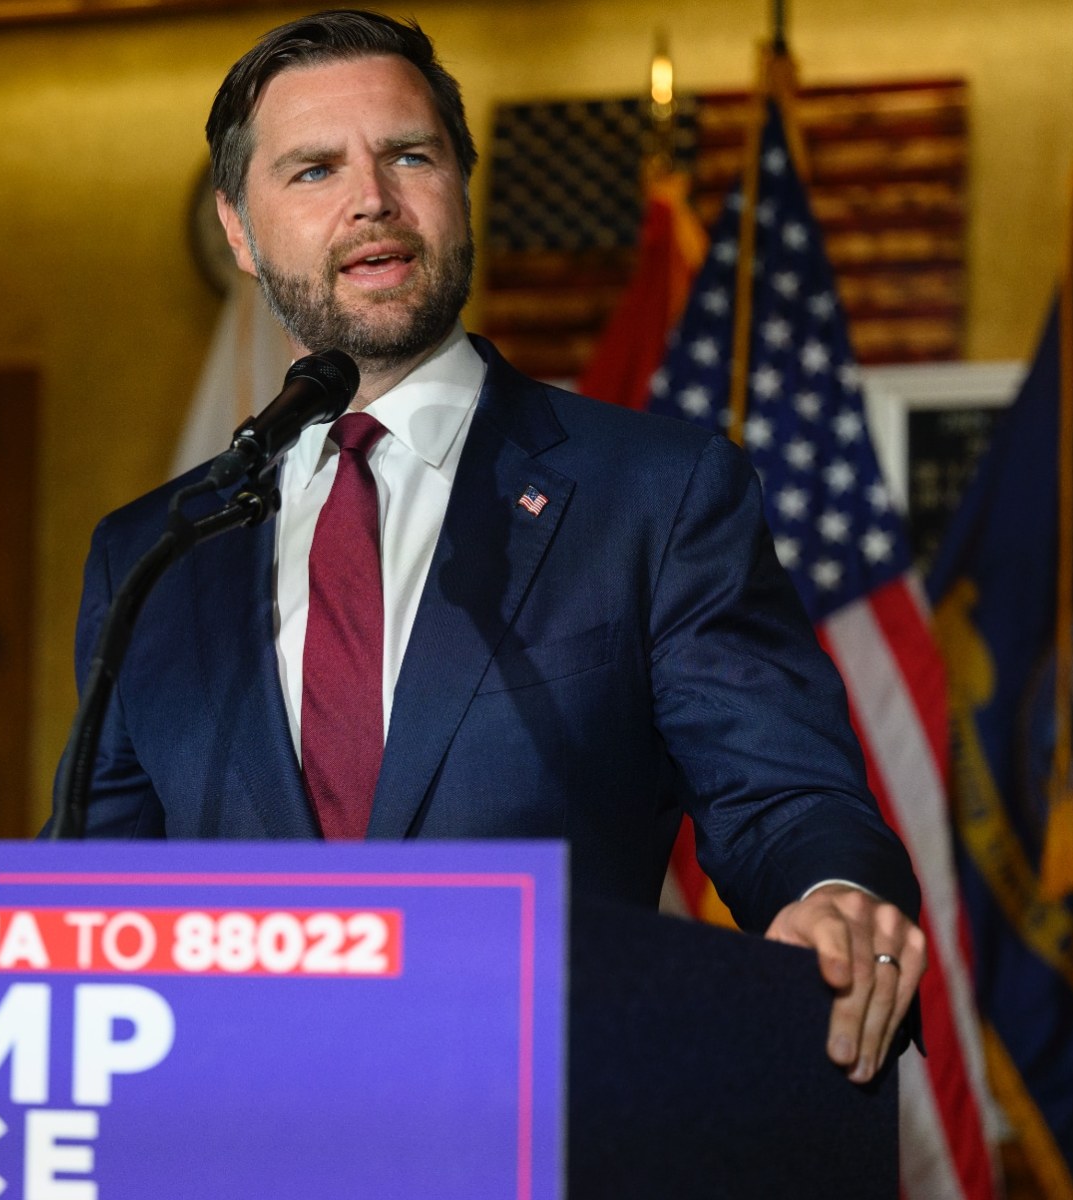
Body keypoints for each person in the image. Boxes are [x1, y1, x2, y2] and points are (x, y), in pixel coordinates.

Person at [64, 9, 927, 1086]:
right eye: (312, 170)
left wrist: (828, 898)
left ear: (459, 185)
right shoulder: (152, 553)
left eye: (408, 155)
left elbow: (781, 798)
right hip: (234, 1128)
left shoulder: (652, 496)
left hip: (547, 1119)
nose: (370, 199)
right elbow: (98, 902)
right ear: (239, 230)